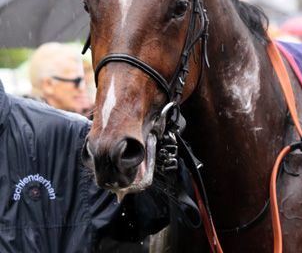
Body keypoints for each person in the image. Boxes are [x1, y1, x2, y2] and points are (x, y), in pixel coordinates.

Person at [0, 77, 178, 252]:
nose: (81, 89)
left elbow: (143, 218)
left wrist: (160, 149)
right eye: (76, 81)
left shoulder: (69, 138)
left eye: (82, 80)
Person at [28, 42, 92, 115]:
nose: (82, 88)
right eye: (76, 81)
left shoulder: (31, 116)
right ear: (48, 84)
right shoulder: (33, 122)